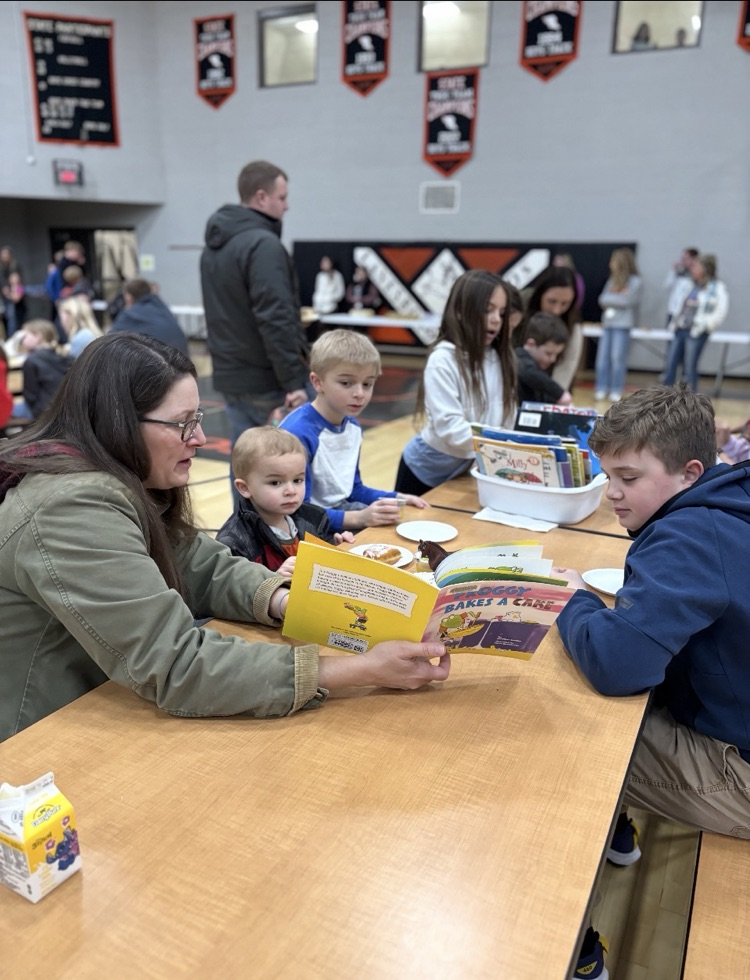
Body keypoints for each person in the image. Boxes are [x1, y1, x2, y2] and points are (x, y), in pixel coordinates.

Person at [0, 333, 451, 743]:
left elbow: (200, 563)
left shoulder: (112, 480)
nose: (199, 438)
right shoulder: (72, 508)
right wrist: (355, 669)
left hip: (102, 702)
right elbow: (176, 665)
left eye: (197, 418)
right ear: (118, 422)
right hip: (44, 739)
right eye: (182, 424)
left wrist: (289, 601)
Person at [553, 384, 750, 979]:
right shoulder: (728, 503)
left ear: (690, 472)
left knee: (562, 732)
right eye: (607, 475)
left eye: (628, 478)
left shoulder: (689, 537)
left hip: (739, 774)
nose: (611, 493)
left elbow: (617, 665)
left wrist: (573, 600)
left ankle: (568, 942)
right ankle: (618, 833)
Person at [200, 160, 310, 484]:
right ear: (262, 197)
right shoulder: (263, 245)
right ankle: (279, 536)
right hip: (266, 380)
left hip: (230, 375)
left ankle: (243, 536)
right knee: (284, 473)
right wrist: (293, 380)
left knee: (246, 470)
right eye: (282, 197)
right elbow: (275, 318)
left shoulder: (213, 249)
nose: (286, 204)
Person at [281, 329, 427, 531]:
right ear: (317, 382)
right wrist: (360, 518)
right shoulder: (298, 433)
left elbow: (352, 489)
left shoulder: (352, 427)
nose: (359, 393)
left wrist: (398, 498)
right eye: (346, 383)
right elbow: (298, 512)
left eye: (367, 384)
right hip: (303, 527)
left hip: (336, 516)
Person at [395, 270, 517, 496]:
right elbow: (451, 429)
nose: (496, 320)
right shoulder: (442, 360)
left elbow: (505, 414)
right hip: (423, 471)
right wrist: (502, 443)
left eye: (501, 312)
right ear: (460, 311)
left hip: (465, 469)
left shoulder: (497, 358)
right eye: (487, 310)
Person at [216, 426, 355, 576]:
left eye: (297, 480)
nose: (291, 491)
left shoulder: (313, 518)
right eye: (275, 483)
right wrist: (274, 579)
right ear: (244, 488)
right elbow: (233, 592)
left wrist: (334, 547)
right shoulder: (234, 542)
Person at [662, 253, 729, 391]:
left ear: (705, 269)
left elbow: (721, 311)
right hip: (680, 329)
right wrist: (674, 322)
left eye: (696, 266)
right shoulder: (690, 284)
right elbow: (678, 303)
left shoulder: (716, 287)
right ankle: (664, 398)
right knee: (670, 364)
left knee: (690, 366)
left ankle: (691, 403)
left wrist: (706, 325)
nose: (693, 270)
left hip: (696, 332)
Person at [517, 266, 582, 393]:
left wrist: (555, 396)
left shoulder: (572, 322)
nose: (556, 310)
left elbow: (566, 366)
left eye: (565, 303)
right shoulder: (521, 306)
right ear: (540, 294)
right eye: (552, 301)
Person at [594, 247, 642, 402]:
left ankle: (615, 389)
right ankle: (601, 387)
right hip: (608, 324)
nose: (610, 264)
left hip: (622, 325)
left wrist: (613, 297)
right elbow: (602, 299)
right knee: (602, 358)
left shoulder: (635, 281)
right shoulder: (612, 280)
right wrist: (617, 296)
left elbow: (629, 301)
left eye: (613, 260)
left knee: (617, 358)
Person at [110, 278, 189, 356]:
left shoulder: (129, 315)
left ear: (128, 297)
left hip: (161, 365)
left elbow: (108, 341)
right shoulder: (161, 306)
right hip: (183, 361)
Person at [11, 320, 73, 420]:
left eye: (26, 336)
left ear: (38, 337)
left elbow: (30, 397)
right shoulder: (66, 356)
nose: (23, 341)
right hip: (66, 409)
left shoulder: (31, 361)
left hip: (42, 412)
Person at [515, 312, 572, 406]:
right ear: (530, 344)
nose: (553, 359)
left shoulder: (538, 369)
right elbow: (530, 373)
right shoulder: (519, 359)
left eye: (556, 354)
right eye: (548, 353)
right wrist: (560, 394)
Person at [663, 246, 698, 329]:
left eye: (686, 258)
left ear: (693, 259)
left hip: (685, 313)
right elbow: (666, 286)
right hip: (672, 311)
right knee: (669, 337)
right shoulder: (679, 273)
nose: (683, 261)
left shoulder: (696, 276)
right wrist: (673, 271)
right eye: (682, 258)